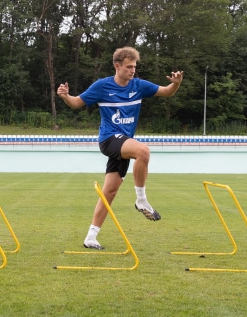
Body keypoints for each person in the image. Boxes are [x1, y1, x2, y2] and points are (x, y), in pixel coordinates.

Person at [57, 47, 182, 249]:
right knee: (143, 151)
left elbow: (167, 92)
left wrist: (175, 84)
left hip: (124, 142)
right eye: (129, 67)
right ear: (117, 66)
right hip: (109, 139)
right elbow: (77, 102)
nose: (132, 71)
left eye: (134, 67)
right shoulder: (102, 86)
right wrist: (65, 96)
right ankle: (141, 200)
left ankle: (90, 237)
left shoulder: (139, 85)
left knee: (110, 192)